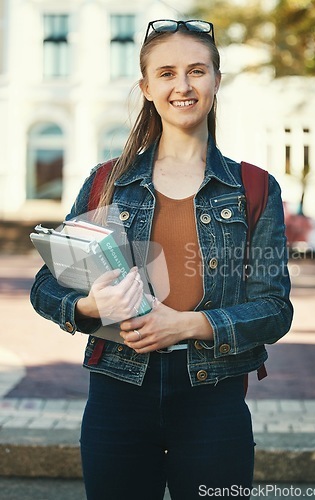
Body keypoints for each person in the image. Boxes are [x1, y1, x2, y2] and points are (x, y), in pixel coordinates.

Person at [30, 19, 293, 500]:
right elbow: (46, 287)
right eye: (167, 73)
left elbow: (275, 310)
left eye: (197, 71)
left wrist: (186, 325)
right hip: (118, 391)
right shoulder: (107, 181)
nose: (184, 86)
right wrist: (90, 308)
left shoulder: (254, 187)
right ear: (147, 87)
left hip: (214, 393)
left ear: (216, 81)